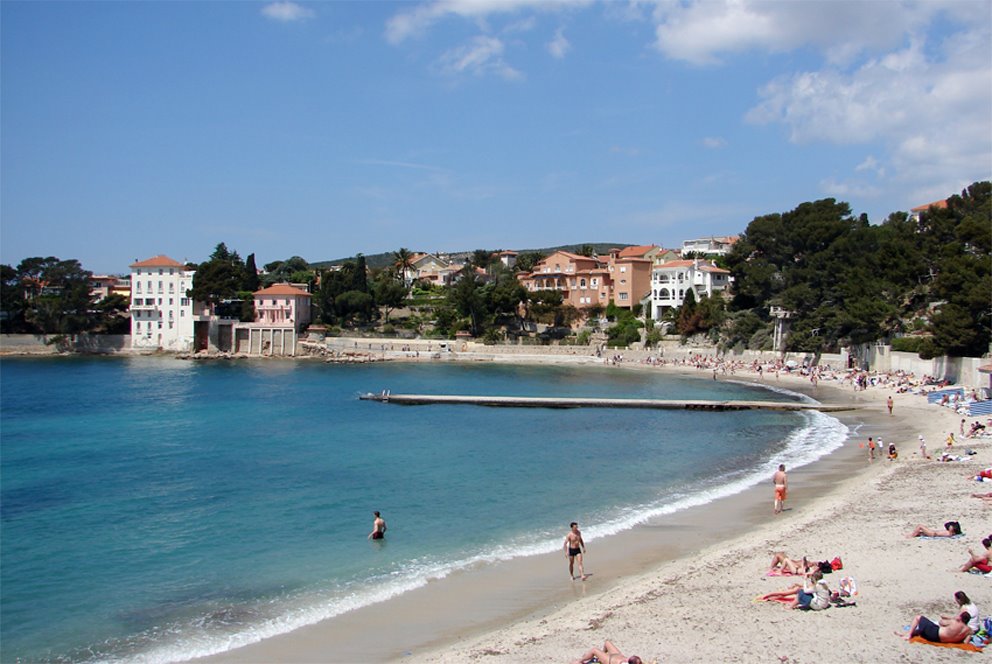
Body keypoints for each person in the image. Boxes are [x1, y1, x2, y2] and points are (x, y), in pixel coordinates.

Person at [899, 611, 972, 644]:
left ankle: (908, 634)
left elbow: (941, 622)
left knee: (918, 617)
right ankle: (909, 634)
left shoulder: (955, 622)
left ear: (960, 617)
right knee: (922, 629)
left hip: (935, 635)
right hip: (943, 641)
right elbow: (965, 642)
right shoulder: (969, 630)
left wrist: (952, 619)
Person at [571, 640, 642, 664]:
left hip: (609, 660)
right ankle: (600, 656)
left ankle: (580, 660)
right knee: (607, 642)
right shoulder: (634, 661)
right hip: (617, 655)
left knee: (594, 650)